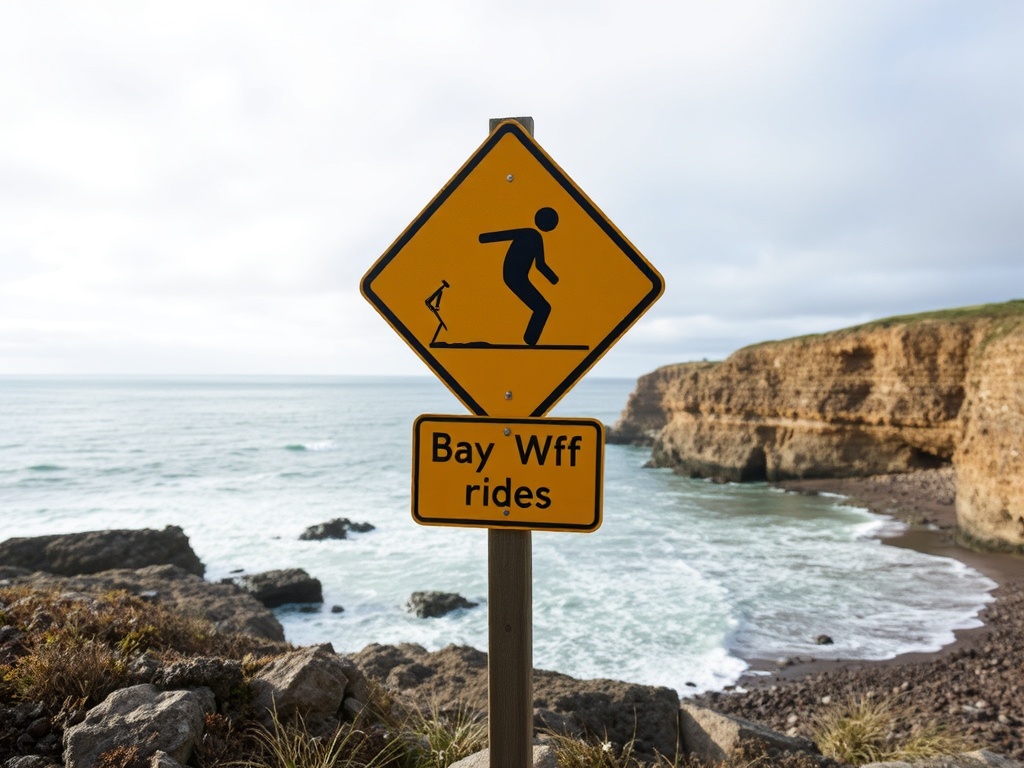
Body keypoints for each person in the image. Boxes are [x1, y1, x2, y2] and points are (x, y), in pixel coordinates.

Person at [478, 207, 559, 346]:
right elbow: (540, 265)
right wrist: (555, 280)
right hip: (516, 278)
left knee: (543, 307)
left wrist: (554, 280)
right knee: (543, 308)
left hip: (513, 277)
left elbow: (540, 265)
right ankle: (530, 341)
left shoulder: (530, 234)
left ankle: (530, 340)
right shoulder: (533, 235)